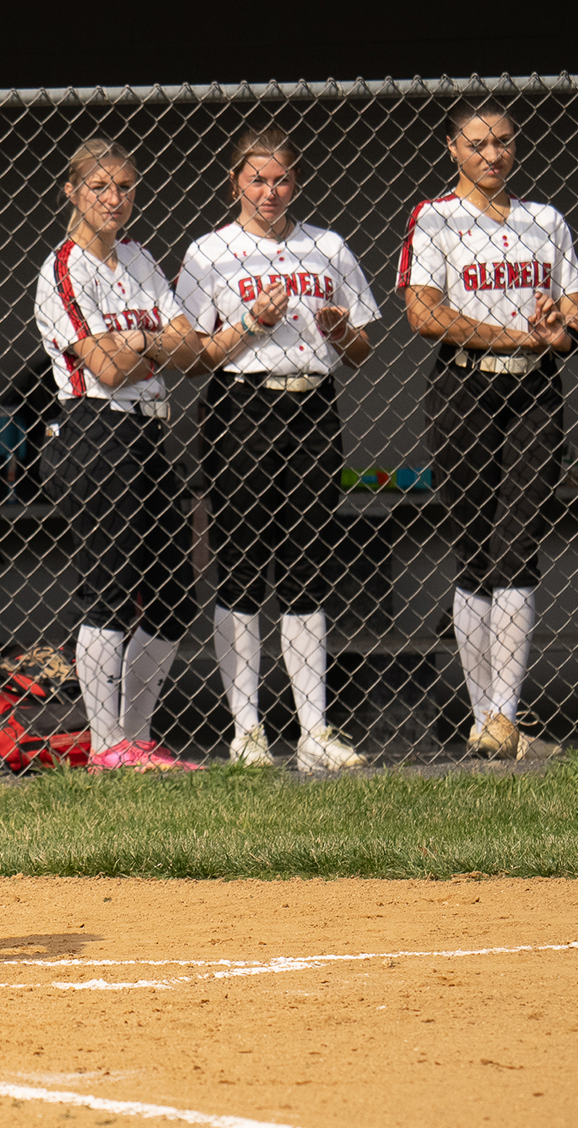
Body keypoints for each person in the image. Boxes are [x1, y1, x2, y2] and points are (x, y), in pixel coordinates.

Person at [176, 127, 376, 772]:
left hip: (313, 406)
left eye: (281, 178)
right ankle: (247, 731)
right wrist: (253, 323)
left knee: (308, 565)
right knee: (240, 566)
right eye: (256, 179)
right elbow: (196, 357)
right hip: (242, 409)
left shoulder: (328, 246)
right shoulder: (211, 253)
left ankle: (314, 731)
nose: (269, 191)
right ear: (234, 179)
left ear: (298, 180)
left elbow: (363, 350)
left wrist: (342, 329)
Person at [398, 101, 578, 760]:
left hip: (535, 390)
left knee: (519, 545)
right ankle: (485, 719)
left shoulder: (546, 221)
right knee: (474, 548)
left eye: (503, 143)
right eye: (477, 144)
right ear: (453, 147)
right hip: (463, 387)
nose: (492, 156)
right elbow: (424, 314)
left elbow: (575, 319)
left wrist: (556, 327)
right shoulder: (436, 216)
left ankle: (504, 716)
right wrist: (516, 333)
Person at [32, 138, 210, 771]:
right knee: (108, 590)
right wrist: (152, 339)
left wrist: (140, 340)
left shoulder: (138, 258)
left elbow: (195, 351)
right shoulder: (63, 268)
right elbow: (104, 369)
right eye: (100, 187)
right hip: (95, 433)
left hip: (153, 432)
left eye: (126, 187)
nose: (115, 199)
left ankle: (135, 738)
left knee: (173, 593)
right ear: (73, 192)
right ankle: (107, 746)